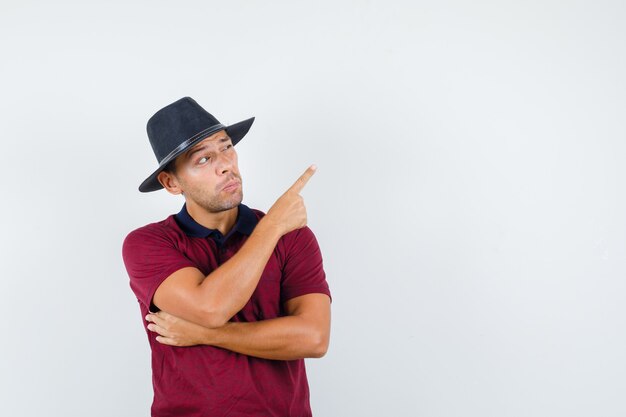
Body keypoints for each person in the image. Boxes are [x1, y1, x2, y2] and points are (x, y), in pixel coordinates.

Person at [122, 97, 332, 416]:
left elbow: (314, 338)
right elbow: (210, 308)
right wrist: (273, 224)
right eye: (203, 159)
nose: (226, 165)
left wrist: (205, 336)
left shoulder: (292, 237)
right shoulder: (148, 243)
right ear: (171, 182)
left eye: (226, 147)